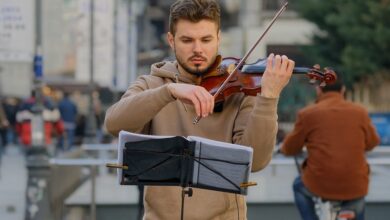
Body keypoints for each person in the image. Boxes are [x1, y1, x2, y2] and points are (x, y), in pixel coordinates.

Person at [104, 0, 294, 219]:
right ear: (171, 40)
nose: (198, 49)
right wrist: (169, 91)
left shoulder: (241, 91)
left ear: (218, 39)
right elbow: (113, 124)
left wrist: (269, 98)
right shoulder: (151, 84)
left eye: (206, 40)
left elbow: (258, 161)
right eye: (187, 40)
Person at [280, 72, 380, 220]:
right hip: (354, 183)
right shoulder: (360, 112)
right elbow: (372, 143)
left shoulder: (308, 114)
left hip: (319, 183)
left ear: (318, 90)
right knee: (356, 200)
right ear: (343, 90)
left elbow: (290, 148)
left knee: (298, 186)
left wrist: (284, 148)